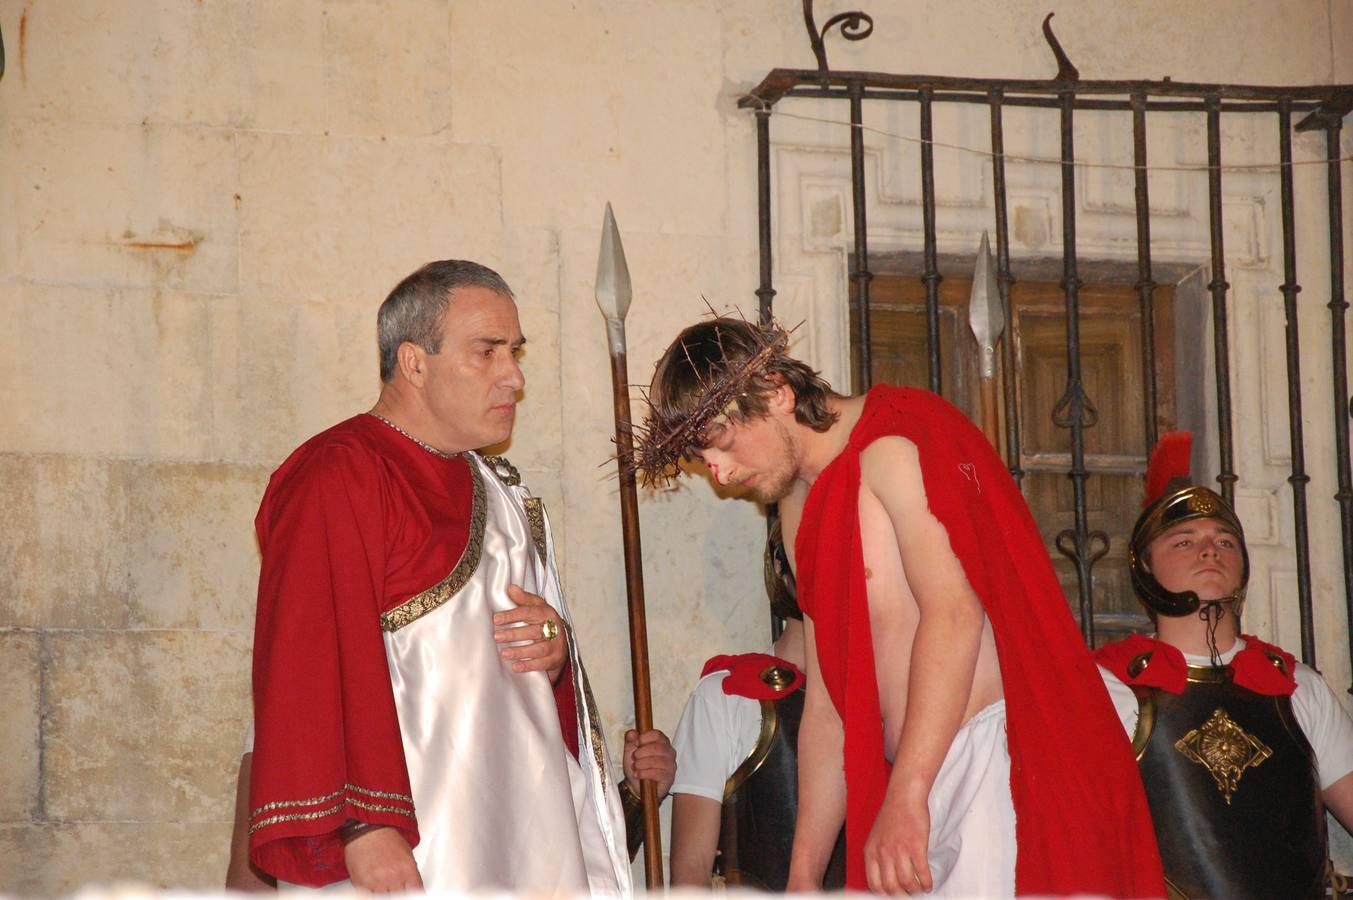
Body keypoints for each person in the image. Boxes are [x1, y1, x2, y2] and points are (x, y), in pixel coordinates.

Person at [636, 317, 1165, 897]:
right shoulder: (798, 508)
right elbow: (829, 705)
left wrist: (907, 795)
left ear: (776, 393)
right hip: (915, 779)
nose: (720, 473)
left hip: (995, 765)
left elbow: (954, 614)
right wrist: (803, 877)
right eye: (702, 457)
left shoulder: (894, 443)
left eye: (721, 442)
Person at [242, 259, 670, 893]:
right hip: (416, 836)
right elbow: (306, 662)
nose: (514, 377)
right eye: (487, 352)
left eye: (516, 352)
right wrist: (364, 829)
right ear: (414, 363)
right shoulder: (338, 473)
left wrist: (554, 655)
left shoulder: (504, 493)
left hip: (522, 832)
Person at [1095, 431, 1353, 899]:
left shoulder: (1296, 686)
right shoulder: (1108, 685)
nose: (1210, 550)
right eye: (1183, 542)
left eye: (1224, 541)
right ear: (1145, 567)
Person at [667, 515, 846, 890]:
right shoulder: (727, 697)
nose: (823, 565)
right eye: (807, 550)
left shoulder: (896, 699)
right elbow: (691, 873)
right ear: (780, 566)